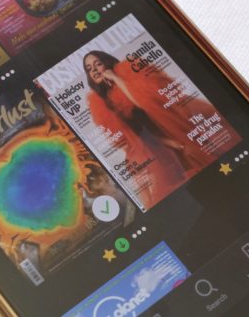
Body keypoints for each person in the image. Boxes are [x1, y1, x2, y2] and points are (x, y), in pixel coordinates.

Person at [83, 51, 215, 207]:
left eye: (98, 63)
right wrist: (170, 143)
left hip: (173, 128)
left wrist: (116, 78)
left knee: (205, 174)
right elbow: (132, 137)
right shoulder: (99, 103)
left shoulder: (127, 74)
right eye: (89, 68)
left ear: (107, 62)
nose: (94, 70)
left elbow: (143, 103)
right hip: (153, 145)